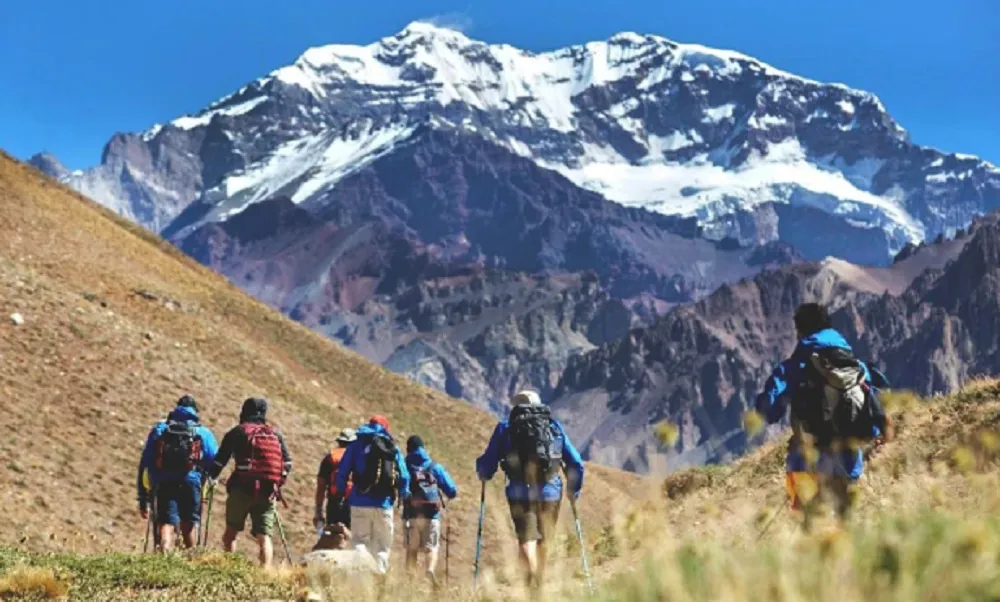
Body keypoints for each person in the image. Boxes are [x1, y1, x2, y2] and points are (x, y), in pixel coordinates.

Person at [755, 302, 889, 522]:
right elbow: (875, 404)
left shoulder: (794, 366)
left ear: (800, 331)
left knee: (810, 530)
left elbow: (768, 412)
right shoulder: (856, 367)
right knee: (845, 526)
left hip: (806, 462)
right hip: (849, 463)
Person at [476, 390, 584, 591]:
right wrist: (573, 490)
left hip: (519, 492)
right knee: (545, 540)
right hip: (551, 492)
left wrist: (483, 471)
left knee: (526, 540)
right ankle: (539, 584)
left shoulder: (505, 429)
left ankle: (532, 586)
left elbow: (488, 462)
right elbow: (575, 462)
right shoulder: (553, 427)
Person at [209, 397, 292, 567]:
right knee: (264, 536)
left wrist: (211, 478)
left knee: (231, 533)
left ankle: (229, 568)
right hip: (268, 491)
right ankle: (265, 571)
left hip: (241, 488)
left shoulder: (238, 431)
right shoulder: (275, 434)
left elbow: (220, 460)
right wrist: (278, 483)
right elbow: (288, 463)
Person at [137, 395, 218, 553]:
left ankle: (163, 555)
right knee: (188, 526)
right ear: (195, 411)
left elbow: (146, 461)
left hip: (164, 481)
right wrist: (206, 485)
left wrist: (143, 497)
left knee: (166, 523)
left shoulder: (160, 429)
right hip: (191, 481)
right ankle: (190, 562)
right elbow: (213, 461)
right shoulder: (203, 432)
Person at [335, 415, 410, 575]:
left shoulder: (356, 445)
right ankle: (379, 578)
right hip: (384, 504)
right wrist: (404, 494)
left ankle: (362, 576)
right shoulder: (392, 447)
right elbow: (404, 476)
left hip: (359, 502)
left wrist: (340, 492)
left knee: (359, 541)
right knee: (382, 546)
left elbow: (342, 472)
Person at [403, 435, 458, 583]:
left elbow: (401, 484)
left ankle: (410, 580)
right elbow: (452, 490)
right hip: (432, 515)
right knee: (431, 547)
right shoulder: (434, 466)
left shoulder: (405, 465)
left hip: (411, 514)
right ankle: (429, 572)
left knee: (412, 548)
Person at [315, 428, 357, 534]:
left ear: (339, 442)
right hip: (354, 503)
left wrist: (318, 511)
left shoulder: (330, 458)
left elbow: (321, 487)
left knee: (333, 536)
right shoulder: (358, 458)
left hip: (334, 502)